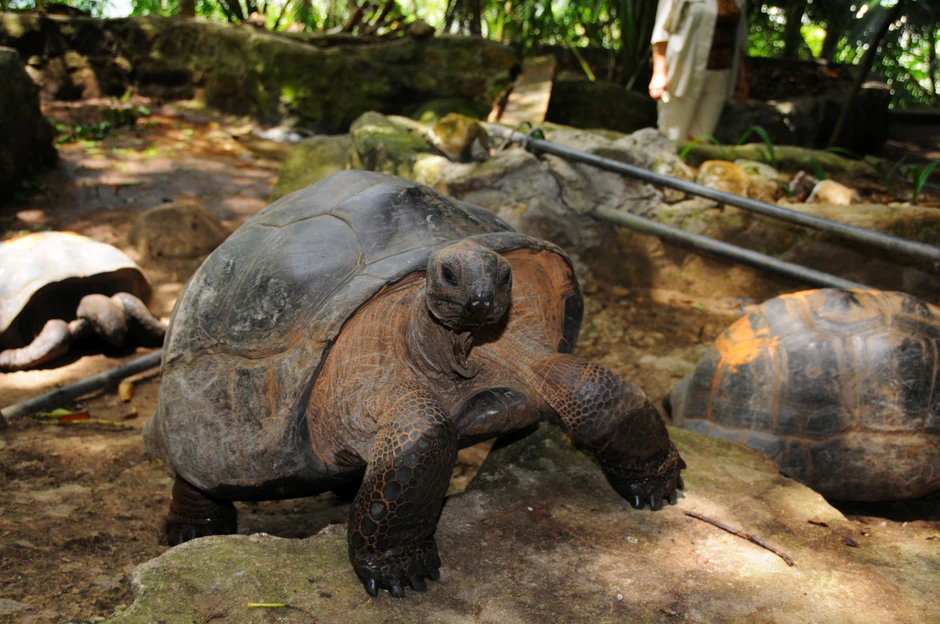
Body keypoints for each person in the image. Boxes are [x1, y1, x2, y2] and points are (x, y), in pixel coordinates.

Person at [649, 0, 749, 142]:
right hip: (683, 73)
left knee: (701, 139)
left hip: (720, 76)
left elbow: (739, 39)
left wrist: (742, 76)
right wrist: (659, 73)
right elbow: (662, 31)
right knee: (673, 137)